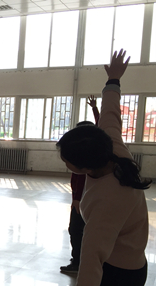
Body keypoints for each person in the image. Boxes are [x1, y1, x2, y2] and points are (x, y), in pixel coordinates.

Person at [59, 50, 150, 286]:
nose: (66, 164)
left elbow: (93, 250)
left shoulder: (105, 198)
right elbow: (111, 113)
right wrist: (113, 80)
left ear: (83, 167)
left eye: (68, 162)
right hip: (130, 263)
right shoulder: (113, 148)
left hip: (116, 274)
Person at [60, 95, 100, 275]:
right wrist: (95, 109)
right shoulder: (88, 155)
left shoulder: (86, 159)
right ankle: (79, 260)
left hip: (83, 200)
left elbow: (80, 179)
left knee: (77, 230)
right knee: (78, 230)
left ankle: (78, 262)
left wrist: (77, 199)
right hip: (81, 199)